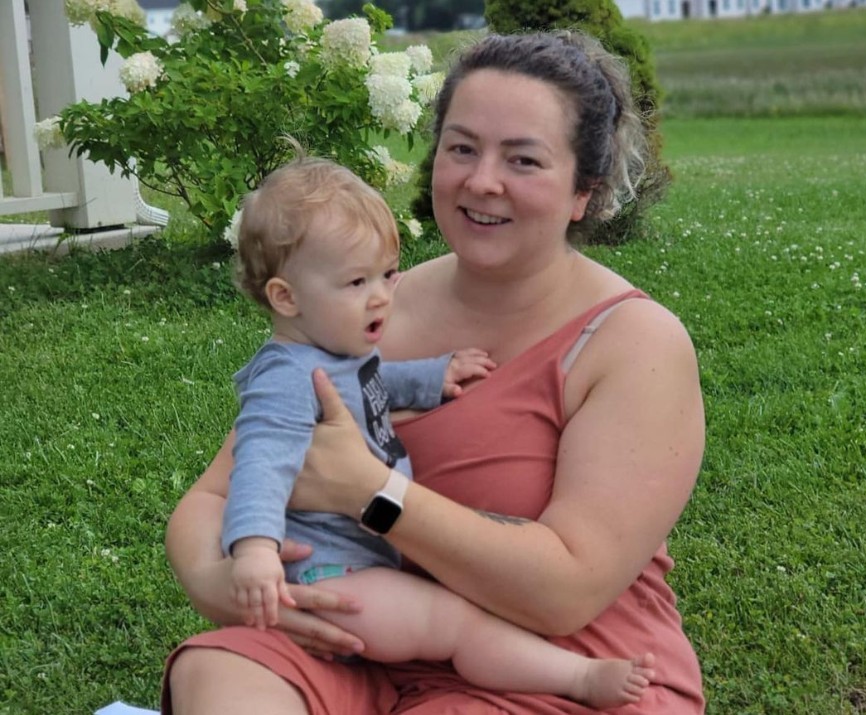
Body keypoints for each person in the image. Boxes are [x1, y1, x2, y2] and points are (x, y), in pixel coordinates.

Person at [163, 29, 706, 715]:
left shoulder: (634, 343)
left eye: (523, 159)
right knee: (218, 675)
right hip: (370, 640)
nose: (482, 181)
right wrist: (224, 583)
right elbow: (213, 494)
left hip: (557, 665)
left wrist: (372, 492)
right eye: (461, 148)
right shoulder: (370, 304)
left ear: (583, 193)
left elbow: (565, 591)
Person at [220, 154, 655, 709]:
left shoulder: (332, 353)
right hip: (332, 579)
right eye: (356, 281)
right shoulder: (284, 378)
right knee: (460, 626)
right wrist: (256, 551)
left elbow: (377, 384)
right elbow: (258, 463)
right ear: (286, 297)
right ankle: (578, 679)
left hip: (353, 570)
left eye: (387, 274)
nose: (381, 295)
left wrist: (435, 375)